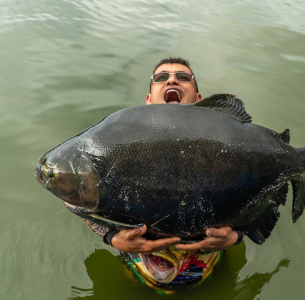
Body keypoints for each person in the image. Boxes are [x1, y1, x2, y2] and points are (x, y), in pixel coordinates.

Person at [85, 57, 244, 293]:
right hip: (137, 271)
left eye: (183, 77)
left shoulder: (225, 145)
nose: (172, 79)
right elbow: (81, 196)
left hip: (209, 271)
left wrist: (237, 235)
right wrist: (112, 238)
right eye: (161, 77)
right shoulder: (123, 145)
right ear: (149, 100)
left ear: (198, 99)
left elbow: (257, 192)